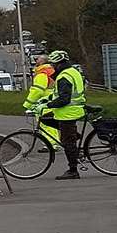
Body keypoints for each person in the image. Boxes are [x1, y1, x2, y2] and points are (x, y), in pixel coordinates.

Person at [42, 49, 89, 179]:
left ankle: (73, 170)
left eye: (53, 65)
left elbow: (64, 99)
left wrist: (47, 105)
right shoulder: (73, 71)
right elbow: (61, 93)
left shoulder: (63, 76)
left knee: (68, 143)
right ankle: (74, 136)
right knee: (45, 118)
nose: (52, 67)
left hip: (68, 112)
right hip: (74, 109)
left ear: (59, 64)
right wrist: (47, 99)